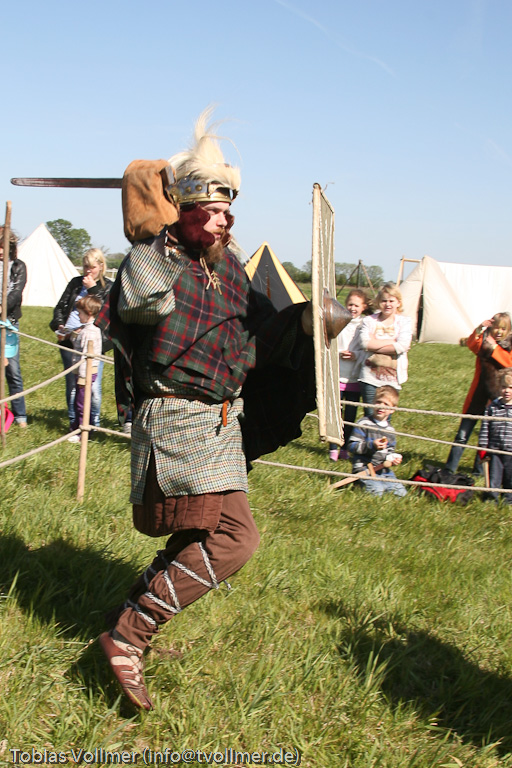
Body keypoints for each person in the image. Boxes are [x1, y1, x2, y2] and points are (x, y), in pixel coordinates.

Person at [95, 109, 329, 710]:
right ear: (186, 208)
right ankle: (129, 635)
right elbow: (144, 305)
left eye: (230, 210)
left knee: (203, 533)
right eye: (216, 209)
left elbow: (260, 330)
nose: (228, 220)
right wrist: (157, 229)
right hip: (175, 418)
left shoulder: (226, 267)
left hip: (220, 421)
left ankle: (131, 627)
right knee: (234, 539)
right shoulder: (151, 258)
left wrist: (307, 321)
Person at [50, 248, 113, 430]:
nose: (87, 271)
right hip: (70, 341)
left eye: (91, 267)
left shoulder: (108, 287)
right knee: (72, 385)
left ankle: (93, 425)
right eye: (85, 266)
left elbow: (104, 312)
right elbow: (60, 308)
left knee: (93, 388)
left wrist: (92, 288)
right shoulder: (75, 283)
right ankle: (74, 424)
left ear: (100, 266)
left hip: (94, 343)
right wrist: (60, 325)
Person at [445, 313, 512, 474]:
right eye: (496, 327)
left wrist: (494, 348)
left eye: (503, 329)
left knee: (487, 438)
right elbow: (471, 343)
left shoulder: (508, 345)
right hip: (478, 395)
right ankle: (449, 469)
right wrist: (479, 328)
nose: (499, 332)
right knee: (462, 434)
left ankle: (479, 470)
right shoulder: (484, 342)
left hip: (497, 398)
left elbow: (508, 362)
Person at [357, 282, 412, 415]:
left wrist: (374, 344)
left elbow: (402, 345)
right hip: (370, 377)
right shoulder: (369, 321)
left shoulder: (404, 322)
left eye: (391, 301)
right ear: (378, 302)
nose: (387, 304)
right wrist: (392, 342)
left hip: (392, 379)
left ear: (398, 303)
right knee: (370, 415)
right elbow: (364, 344)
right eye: (384, 301)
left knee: (385, 416)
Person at [329, 288, 370, 461]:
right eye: (350, 304)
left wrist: (356, 355)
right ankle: (333, 447)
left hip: (354, 378)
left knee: (350, 416)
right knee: (335, 414)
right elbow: (330, 343)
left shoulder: (365, 325)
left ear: (363, 307)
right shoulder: (339, 322)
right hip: (338, 375)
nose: (353, 308)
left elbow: (366, 350)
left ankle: (345, 448)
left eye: (357, 305)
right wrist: (339, 352)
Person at [347, 385, 407, 497]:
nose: (381, 406)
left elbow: (389, 451)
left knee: (401, 493)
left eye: (386, 404)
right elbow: (352, 446)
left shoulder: (390, 430)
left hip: (384, 471)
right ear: (373, 402)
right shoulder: (364, 423)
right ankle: (359, 484)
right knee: (377, 491)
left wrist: (393, 459)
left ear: (393, 409)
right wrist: (371, 445)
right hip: (364, 469)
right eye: (378, 402)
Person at [0, 227, 28, 427]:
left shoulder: (18, 266)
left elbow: (16, 293)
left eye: (3, 247)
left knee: (13, 370)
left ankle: (20, 415)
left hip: (9, 322)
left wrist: (2, 308)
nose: (0, 251)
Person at [67, 296, 103, 443]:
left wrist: (83, 377)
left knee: (82, 403)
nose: (78, 315)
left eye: (80, 313)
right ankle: (76, 428)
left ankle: (83, 432)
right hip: (83, 372)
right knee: (79, 401)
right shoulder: (86, 329)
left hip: (85, 373)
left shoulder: (90, 332)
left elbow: (86, 357)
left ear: (88, 313)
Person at [478, 367, 512, 504]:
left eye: (511, 387)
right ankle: (492, 498)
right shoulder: (493, 407)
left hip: (511, 451)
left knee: (510, 476)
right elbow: (485, 427)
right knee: (494, 476)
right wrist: (482, 447)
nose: (507, 391)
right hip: (494, 449)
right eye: (504, 387)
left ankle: (509, 499)